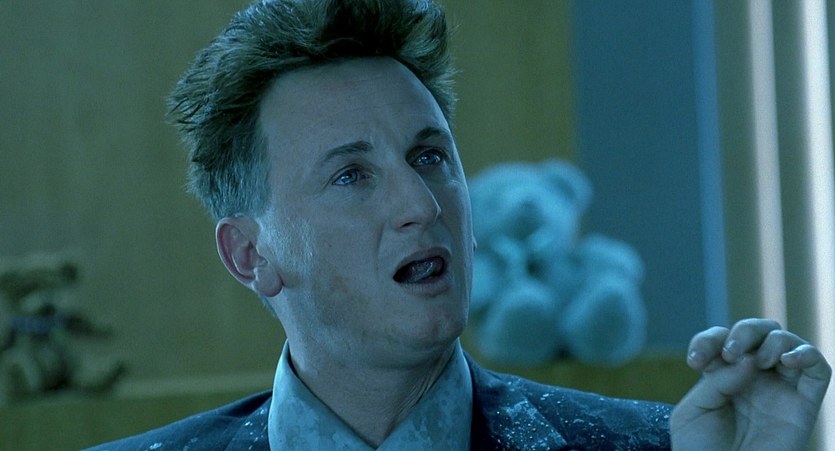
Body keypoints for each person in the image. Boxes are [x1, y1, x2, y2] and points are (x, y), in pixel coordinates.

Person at [89, 0, 831, 449]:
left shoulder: (663, 446)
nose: (420, 203)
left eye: (429, 156)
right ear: (251, 254)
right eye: (351, 175)